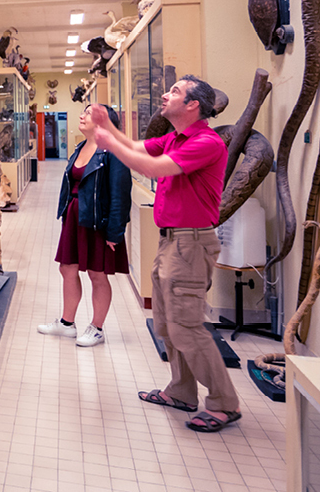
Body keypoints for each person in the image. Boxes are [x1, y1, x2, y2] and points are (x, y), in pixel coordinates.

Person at [89, 75, 240, 433]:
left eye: (175, 91)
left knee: (187, 326)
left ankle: (224, 402)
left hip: (190, 244)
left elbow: (150, 167)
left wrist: (108, 142)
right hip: (171, 242)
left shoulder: (206, 142)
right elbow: (138, 148)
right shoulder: (175, 138)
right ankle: (181, 391)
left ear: (193, 106)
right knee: (166, 326)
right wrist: (107, 125)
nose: (165, 94)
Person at [37, 103, 132, 347]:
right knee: (67, 269)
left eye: (88, 113)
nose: (82, 115)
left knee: (97, 274)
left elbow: (120, 194)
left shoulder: (113, 150)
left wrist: (115, 231)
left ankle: (97, 328)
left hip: (97, 221)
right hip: (75, 217)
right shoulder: (81, 147)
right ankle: (67, 323)